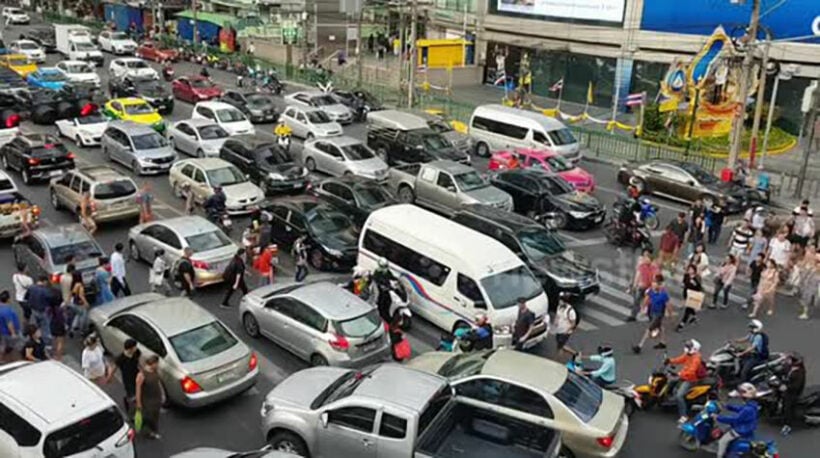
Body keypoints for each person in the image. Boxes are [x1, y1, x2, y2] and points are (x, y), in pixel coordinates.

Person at [716, 383, 759, 458]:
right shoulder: (752, 405)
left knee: (722, 441)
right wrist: (728, 407)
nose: (739, 394)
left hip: (741, 430)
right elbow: (740, 409)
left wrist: (718, 418)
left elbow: (735, 420)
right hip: (748, 428)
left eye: (741, 392)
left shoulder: (747, 409)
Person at [667, 339, 704, 423]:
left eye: (688, 347)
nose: (686, 348)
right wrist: (670, 360)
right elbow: (681, 359)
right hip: (684, 375)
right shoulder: (688, 354)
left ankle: (683, 415)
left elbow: (691, 372)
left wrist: (680, 374)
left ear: (694, 349)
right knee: (670, 382)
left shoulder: (696, 359)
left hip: (691, 379)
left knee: (679, 396)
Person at [632, 275, 670, 354]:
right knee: (660, 327)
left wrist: (670, 314)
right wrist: (643, 308)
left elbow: (668, 305)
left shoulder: (663, 294)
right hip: (652, 312)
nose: (653, 283)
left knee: (649, 329)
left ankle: (639, 346)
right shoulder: (651, 291)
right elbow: (646, 300)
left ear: (659, 284)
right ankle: (663, 342)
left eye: (655, 282)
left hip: (659, 314)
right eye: (653, 282)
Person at [108, 339, 142, 412]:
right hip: (128, 378)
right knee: (132, 394)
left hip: (136, 374)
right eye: (134, 347)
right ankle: (128, 401)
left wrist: (142, 371)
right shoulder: (121, 358)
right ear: (130, 348)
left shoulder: (137, 352)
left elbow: (138, 362)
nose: (136, 348)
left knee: (140, 390)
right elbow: (114, 367)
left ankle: (139, 402)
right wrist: (109, 377)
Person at [136, 355, 164, 440]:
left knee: (156, 415)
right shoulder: (141, 375)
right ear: (153, 363)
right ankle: (150, 432)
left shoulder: (155, 371)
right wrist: (139, 403)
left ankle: (153, 430)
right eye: (157, 363)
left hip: (157, 398)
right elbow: (138, 389)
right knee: (150, 417)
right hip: (148, 400)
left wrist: (162, 394)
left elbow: (158, 383)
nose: (158, 365)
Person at [626, 249, 658, 321]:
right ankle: (633, 316)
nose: (645, 259)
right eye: (645, 258)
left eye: (647, 258)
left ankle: (650, 315)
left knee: (650, 302)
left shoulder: (654, 268)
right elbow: (638, 275)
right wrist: (634, 285)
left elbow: (655, 278)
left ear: (651, 260)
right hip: (642, 287)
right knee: (636, 300)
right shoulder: (642, 266)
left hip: (650, 288)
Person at [780, 353, 807, 436]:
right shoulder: (790, 368)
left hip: (793, 392)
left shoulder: (799, 372)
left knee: (787, 407)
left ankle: (787, 425)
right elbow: (782, 370)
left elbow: (796, 386)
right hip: (787, 385)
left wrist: (786, 387)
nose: (788, 360)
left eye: (789, 359)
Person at [25, 275, 55, 345]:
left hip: (34, 311)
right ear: (44, 281)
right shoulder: (45, 291)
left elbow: (26, 297)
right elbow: (51, 300)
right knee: (46, 329)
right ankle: (46, 344)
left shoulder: (31, 288)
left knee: (35, 327)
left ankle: (35, 341)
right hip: (43, 311)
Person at [676, 264, 704, 331]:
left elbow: (699, 287)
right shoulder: (686, 275)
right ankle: (694, 316)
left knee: (687, 309)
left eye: (691, 269)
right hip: (686, 293)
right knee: (690, 307)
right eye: (689, 269)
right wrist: (683, 284)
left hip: (693, 295)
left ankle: (682, 324)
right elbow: (684, 282)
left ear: (694, 270)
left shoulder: (697, 278)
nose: (690, 270)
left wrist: (694, 284)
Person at [0, 291, 21, 363]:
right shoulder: (7, 310)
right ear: (8, 299)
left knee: (3, 346)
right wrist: (13, 333)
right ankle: (14, 360)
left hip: (2, 332)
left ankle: (2, 359)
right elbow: (9, 323)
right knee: (15, 347)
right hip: (9, 333)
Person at [795, 254, 818, 320]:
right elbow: (804, 274)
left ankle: (805, 313)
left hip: (814, 284)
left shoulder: (815, 268)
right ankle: (805, 313)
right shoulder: (810, 267)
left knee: (810, 299)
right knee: (806, 298)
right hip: (809, 284)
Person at [69, 270, 90, 335]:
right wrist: (86, 303)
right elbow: (81, 295)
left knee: (78, 315)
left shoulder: (73, 284)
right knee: (83, 317)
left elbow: (72, 293)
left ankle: (73, 328)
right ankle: (82, 330)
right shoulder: (80, 285)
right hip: (80, 304)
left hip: (73, 303)